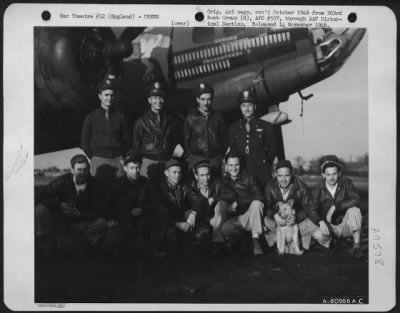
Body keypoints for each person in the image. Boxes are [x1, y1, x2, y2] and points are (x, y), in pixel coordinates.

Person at [35, 154, 117, 256]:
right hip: (62, 220)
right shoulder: (62, 181)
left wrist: (80, 213)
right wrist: (59, 205)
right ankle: (44, 244)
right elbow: (40, 196)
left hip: (83, 223)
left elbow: (101, 209)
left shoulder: (96, 185)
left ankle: (86, 247)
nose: (83, 173)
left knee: (102, 223)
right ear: (72, 170)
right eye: (79, 170)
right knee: (40, 209)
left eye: (86, 170)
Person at [263, 160, 328, 252]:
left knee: (314, 223)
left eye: (287, 175)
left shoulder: (302, 186)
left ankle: (290, 240)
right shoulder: (269, 186)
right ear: (275, 174)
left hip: (295, 225)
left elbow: (307, 208)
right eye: (280, 176)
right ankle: (277, 239)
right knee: (263, 219)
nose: (283, 180)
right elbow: (267, 206)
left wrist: (295, 218)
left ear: (292, 173)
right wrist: (275, 215)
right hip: (277, 224)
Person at [113, 152, 168, 257]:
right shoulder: (118, 184)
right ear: (125, 168)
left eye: (138, 168)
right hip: (125, 216)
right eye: (132, 168)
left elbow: (156, 200)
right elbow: (115, 205)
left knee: (162, 212)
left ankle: (154, 246)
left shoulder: (145, 182)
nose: (135, 171)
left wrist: (142, 209)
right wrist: (130, 212)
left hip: (143, 213)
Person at [309, 155, 363, 259]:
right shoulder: (318, 188)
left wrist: (335, 207)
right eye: (328, 174)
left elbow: (356, 199)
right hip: (329, 227)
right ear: (323, 174)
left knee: (354, 210)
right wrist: (320, 222)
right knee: (316, 234)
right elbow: (311, 209)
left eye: (334, 174)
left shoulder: (346, 183)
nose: (331, 177)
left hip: (345, 224)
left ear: (339, 173)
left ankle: (357, 245)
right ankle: (332, 243)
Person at [155, 159, 211, 252]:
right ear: (166, 173)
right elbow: (160, 210)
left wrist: (193, 213)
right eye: (174, 172)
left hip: (182, 217)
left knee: (203, 231)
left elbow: (198, 200)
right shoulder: (159, 187)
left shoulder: (184, 185)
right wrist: (176, 224)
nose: (177, 175)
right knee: (171, 237)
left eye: (179, 172)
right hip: (167, 222)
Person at [80, 77, 130, 180]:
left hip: (117, 160)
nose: (109, 98)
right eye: (106, 95)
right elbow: (84, 143)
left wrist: (121, 157)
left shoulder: (120, 117)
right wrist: (94, 157)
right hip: (98, 160)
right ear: (100, 96)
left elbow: (127, 140)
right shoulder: (91, 117)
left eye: (112, 95)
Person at [131, 81, 182, 181]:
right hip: (148, 162)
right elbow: (136, 146)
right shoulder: (141, 121)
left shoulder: (170, 120)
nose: (158, 101)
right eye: (154, 98)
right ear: (149, 100)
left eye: (161, 97)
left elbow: (175, 140)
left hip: (166, 162)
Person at [228, 89, 280, 185]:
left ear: (255, 107)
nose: (246, 109)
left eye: (249, 105)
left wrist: (263, 161)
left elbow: (272, 149)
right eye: (243, 106)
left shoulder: (266, 126)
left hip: (261, 173)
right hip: (242, 173)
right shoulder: (233, 128)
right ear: (240, 107)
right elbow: (233, 150)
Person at [187, 159, 236, 254]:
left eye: (207, 174)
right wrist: (209, 220)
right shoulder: (191, 186)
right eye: (202, 175)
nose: (206, 178)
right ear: (196, 176)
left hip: (217, 217)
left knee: (221, 203)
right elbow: (198, 205)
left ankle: (216, 241)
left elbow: (231, 194)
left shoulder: (216, 182)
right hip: (202, 218)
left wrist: (214, 198)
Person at [220, 153, 265, 255]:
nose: (234, 168)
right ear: (226, 166)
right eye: (231, 165)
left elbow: (260, 196)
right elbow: (219, 196)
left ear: (240, 165)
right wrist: (229, 207)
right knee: (225, 228)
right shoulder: (223, 180)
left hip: (250, 216)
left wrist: (239, 203)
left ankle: (255, 239)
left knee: (257, 204)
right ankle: (244, 241)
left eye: (236, 165)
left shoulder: (249, 178)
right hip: (236, 219)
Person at [183, 82, 228, 174]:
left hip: (215, 159)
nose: (206, 103)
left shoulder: (218, 117)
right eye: (203, 99)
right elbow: (185, 139)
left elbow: (224, 138)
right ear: (197, 100)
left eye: (209, 99)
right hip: (197, 159)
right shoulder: (190, 118)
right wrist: (190, 157)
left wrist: (222, 157)